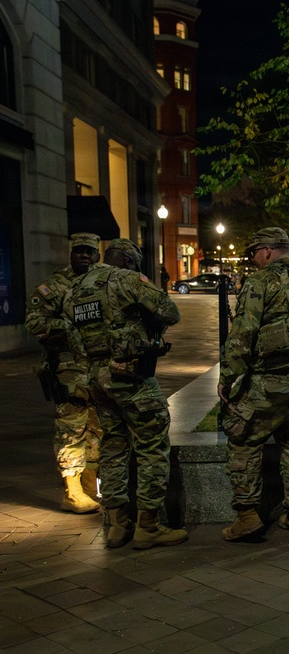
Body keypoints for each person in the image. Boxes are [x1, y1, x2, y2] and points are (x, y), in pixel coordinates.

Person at [69, 238, 186, 549]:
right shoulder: (128, 280)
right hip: (130, 375)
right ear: (131, 262)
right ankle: (148, 525)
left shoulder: (78, 287)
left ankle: (117, 524)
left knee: (113, 445)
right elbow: (170, 312)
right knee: (152, 444)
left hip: (96, 377)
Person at [218, 228, 289, 541]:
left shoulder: (260, 281)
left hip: (273, 378)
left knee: (241, 435)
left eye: (254, 252)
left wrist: (227, 377)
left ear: (268, 251)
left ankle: (246, 516)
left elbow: (243, 334)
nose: (252, 259)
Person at [25, 232, 104, 514]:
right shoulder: (56, 286)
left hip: (99, 368)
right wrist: (68, 327)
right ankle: (72, 490)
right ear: (71, 254)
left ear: (98, 255)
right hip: (69, 368)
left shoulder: (102, 283)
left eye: (90, 251)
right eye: (80, 250)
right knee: (72, 428)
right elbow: (34, 322)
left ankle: (90, 483)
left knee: (97, 428)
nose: (85, 255)